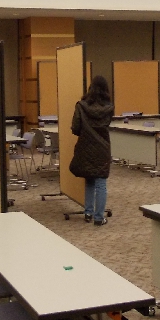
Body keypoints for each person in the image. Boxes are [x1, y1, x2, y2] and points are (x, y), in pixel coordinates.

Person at [69, 75, 115, 226]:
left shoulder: (81, 106)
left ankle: (88, 212)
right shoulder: (109, 108)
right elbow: (106, 125)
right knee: (101, 182)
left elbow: (75, 128)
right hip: (102, 148)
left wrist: (86, 132)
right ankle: (99, 217)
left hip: (86, 147)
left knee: (89, 180)